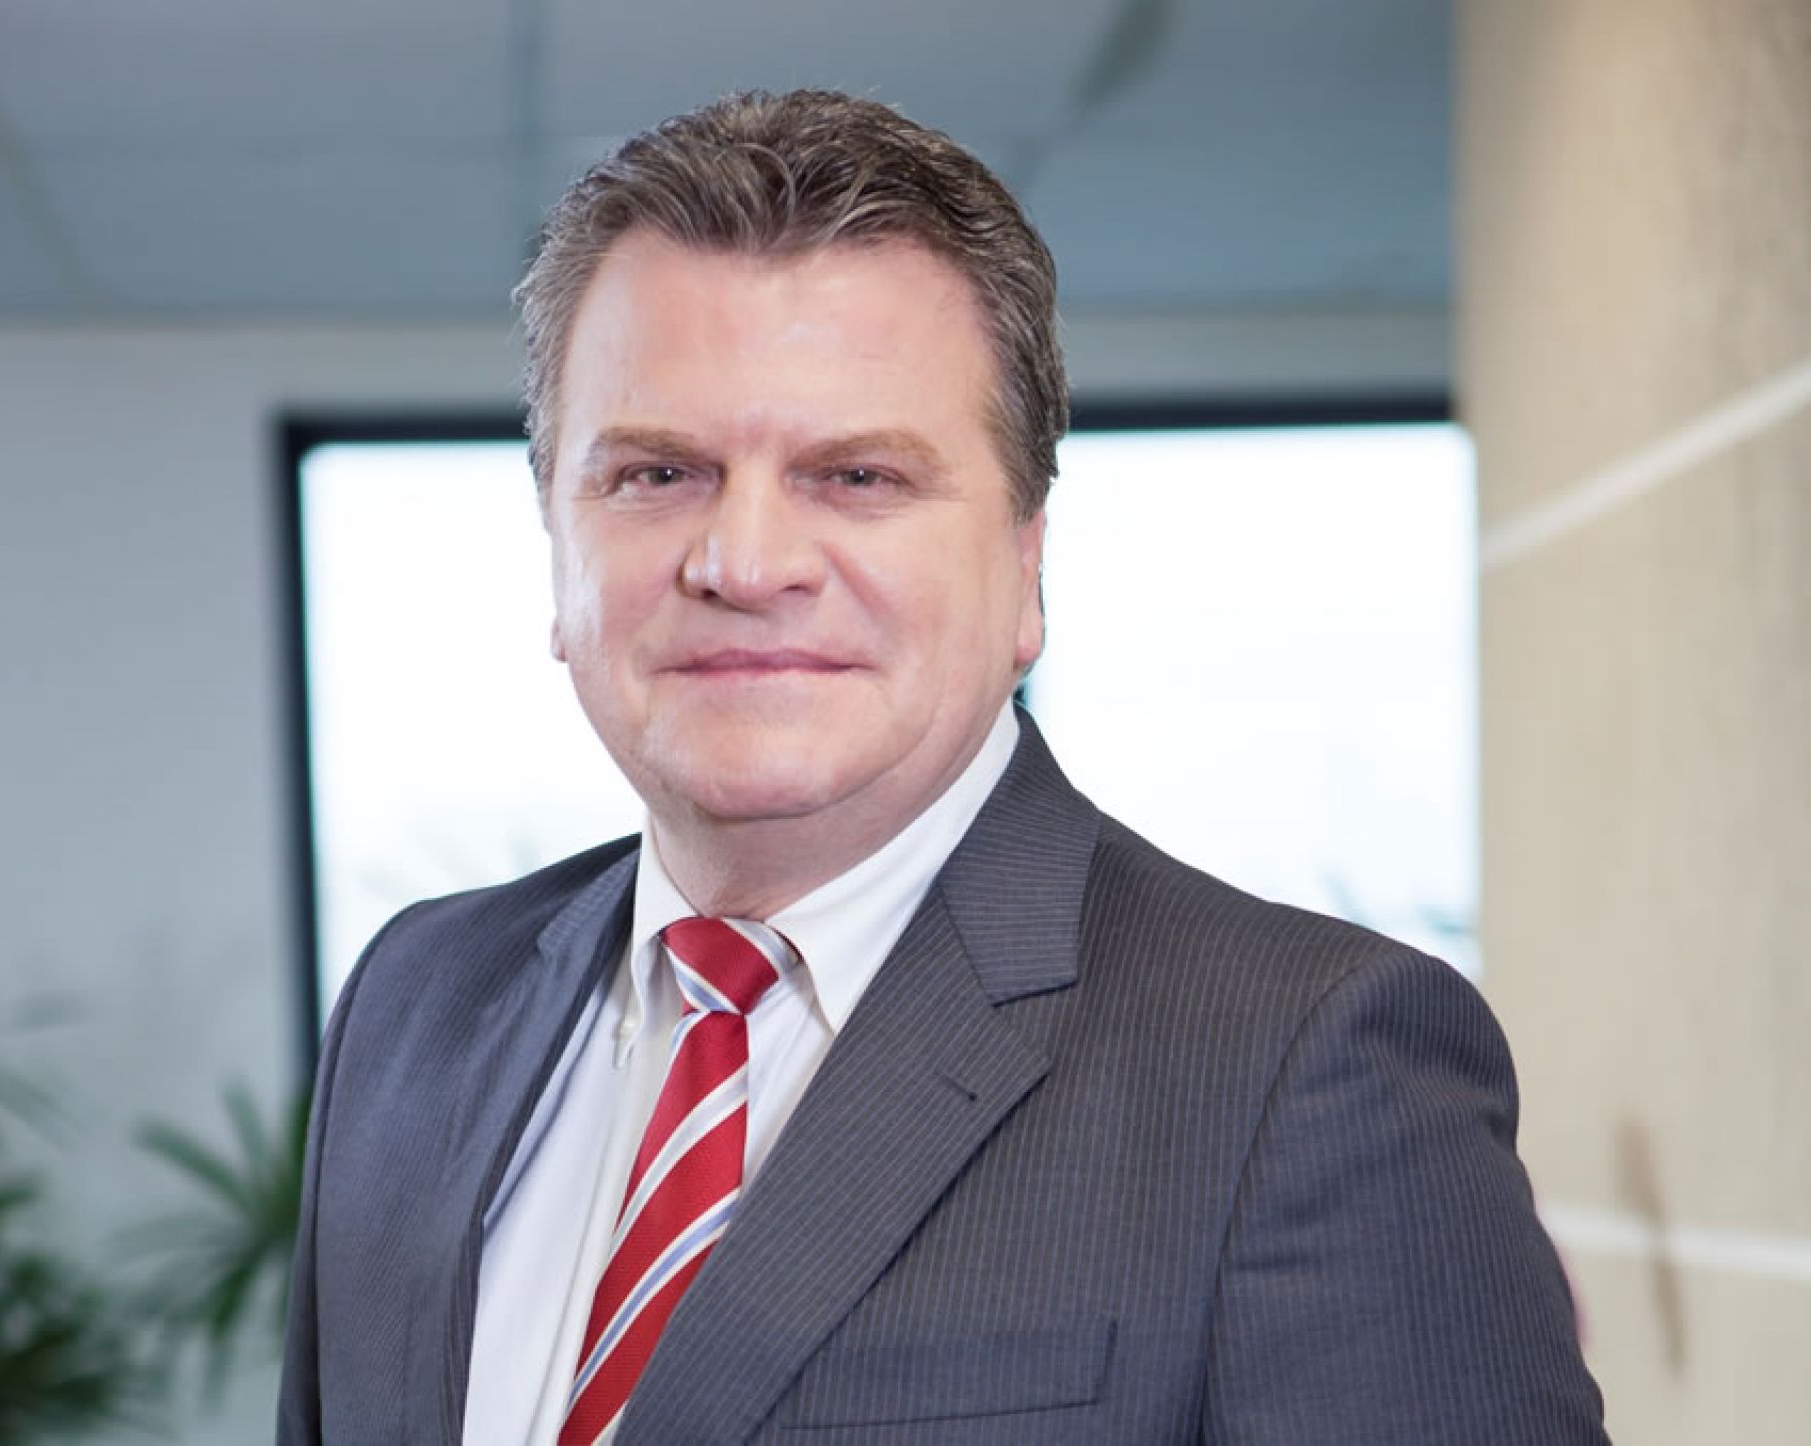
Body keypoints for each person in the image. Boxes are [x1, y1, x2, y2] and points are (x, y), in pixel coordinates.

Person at [278, 89, 1606, 1445]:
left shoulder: (1307, 1070)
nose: (744, 563)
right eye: (657, 474)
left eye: (857, 476)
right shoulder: (416, 1006)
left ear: (1027, 566)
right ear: (557, 544)